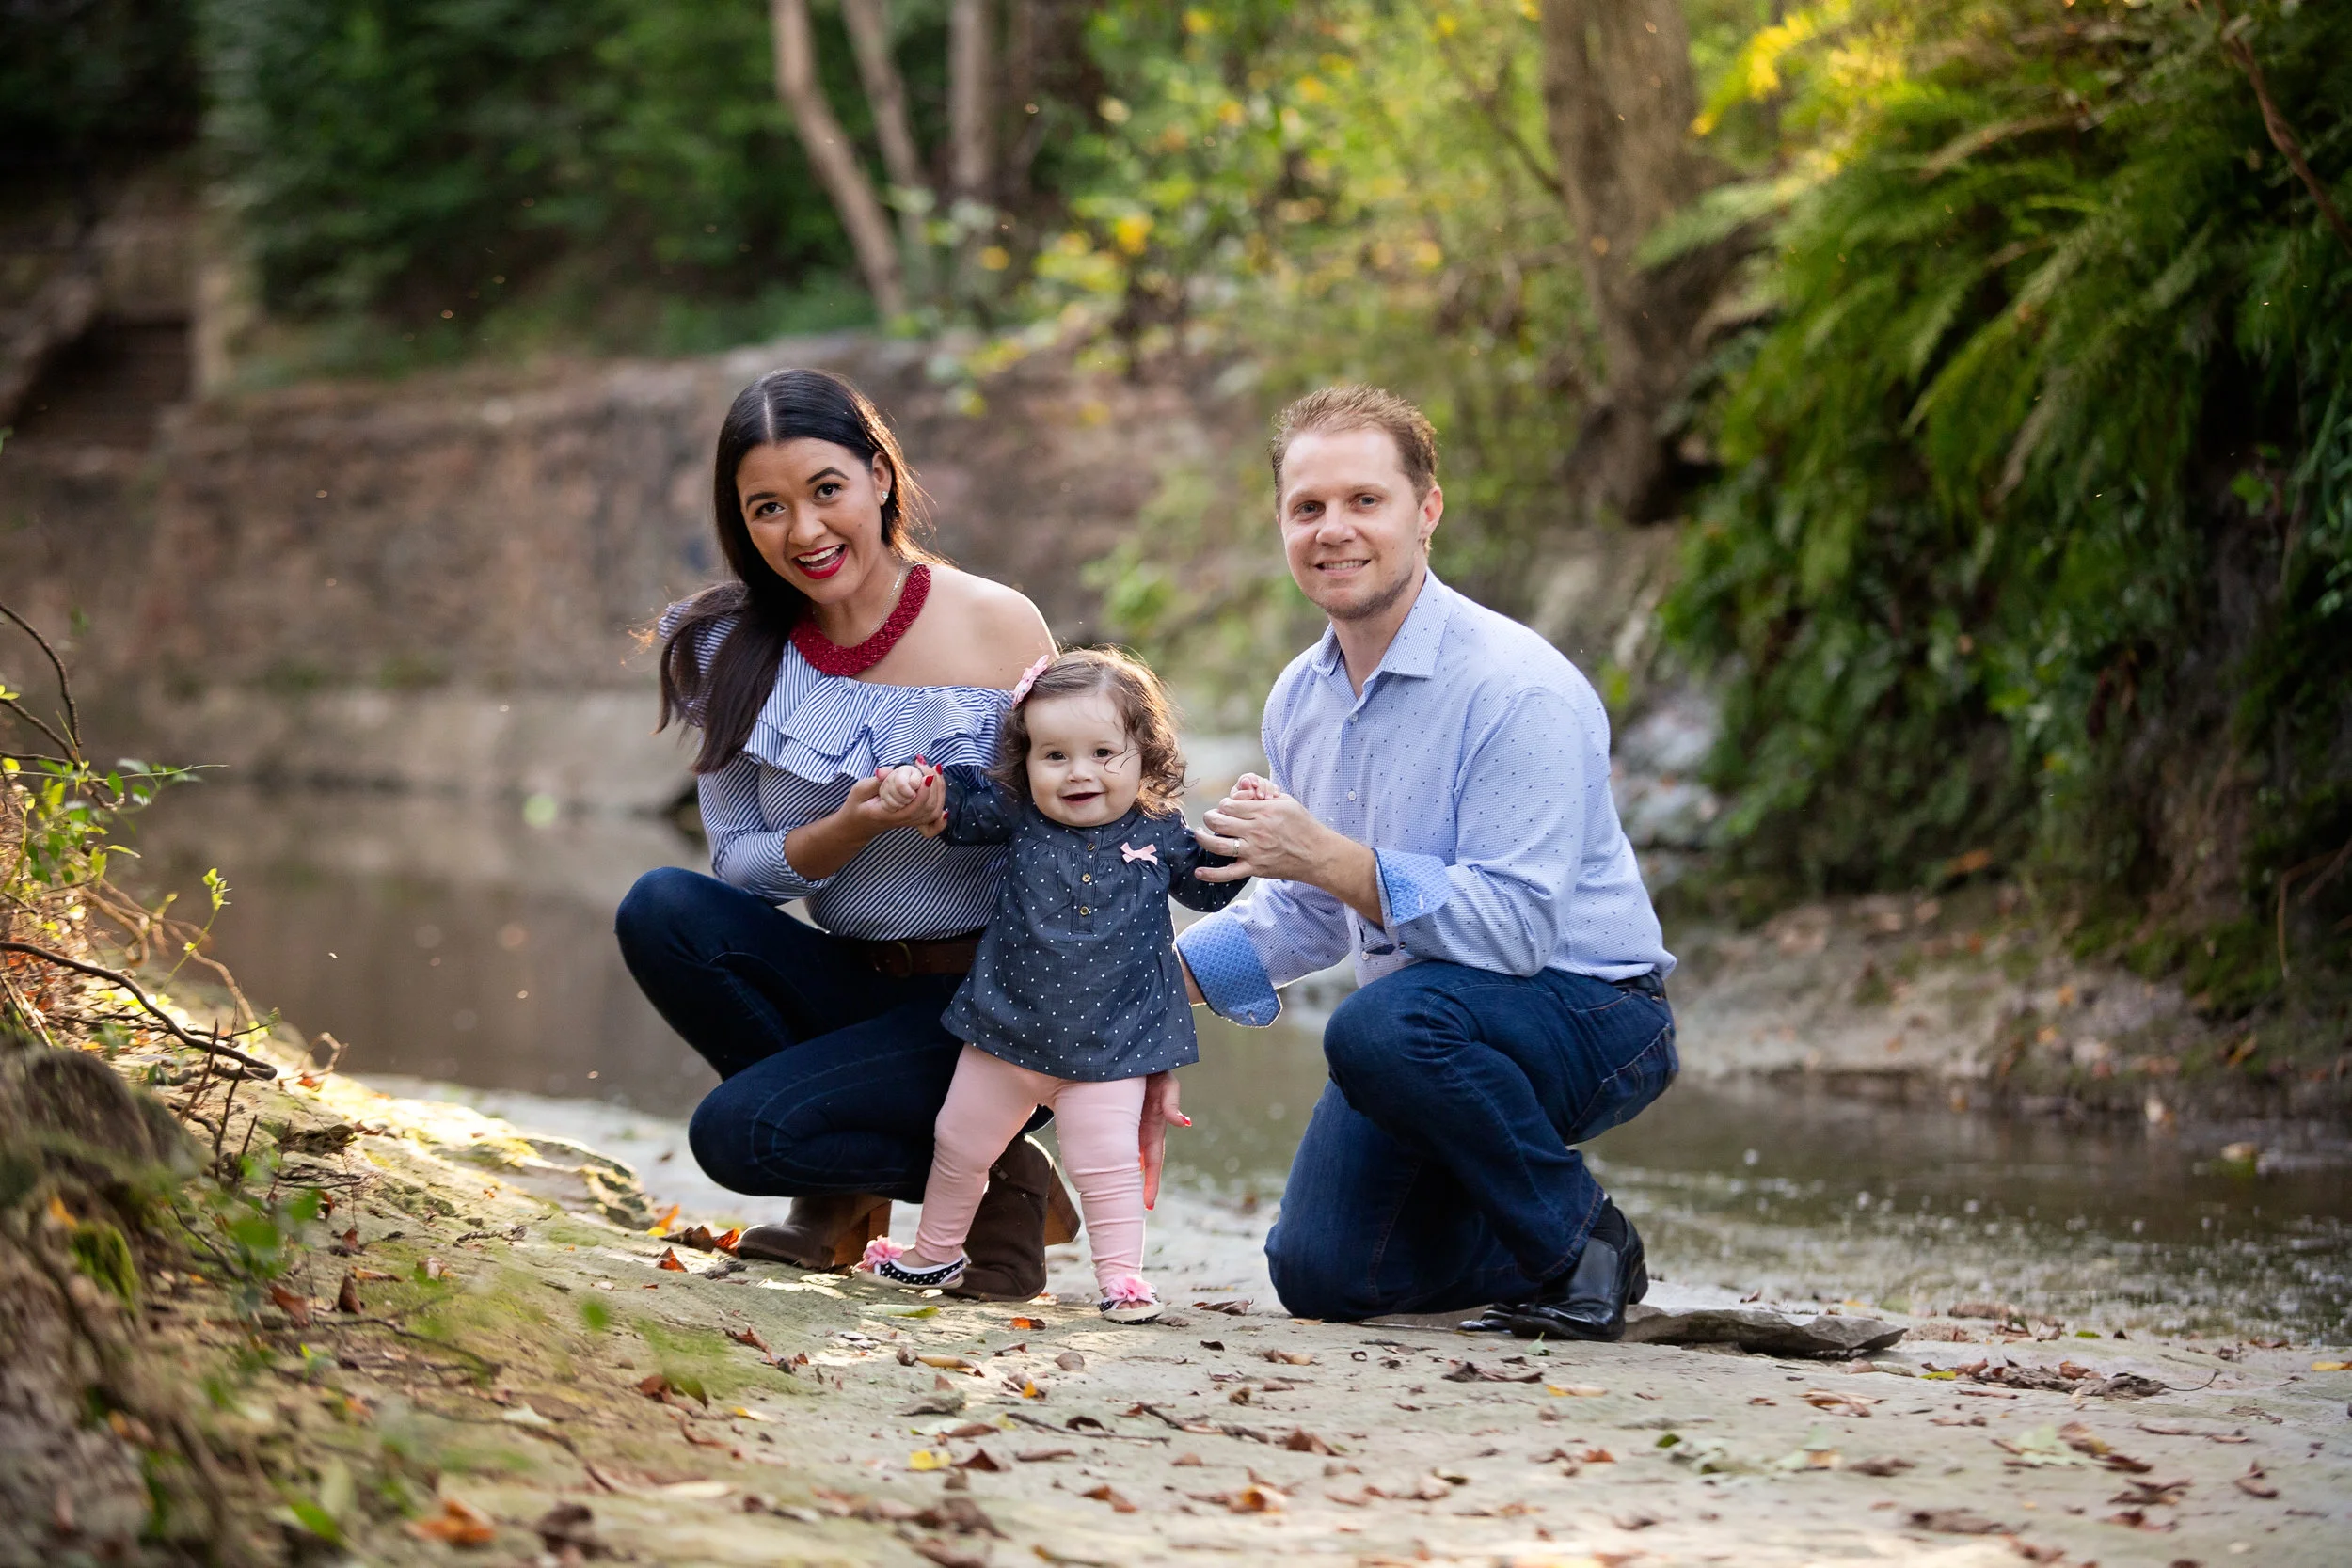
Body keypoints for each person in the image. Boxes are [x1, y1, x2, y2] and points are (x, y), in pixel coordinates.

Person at [1168, 385, 1679, 1338]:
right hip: (1423, 1026)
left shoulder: (1516, 687)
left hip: (1595, 1010)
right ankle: (1542, 1237)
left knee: (1375, 1026)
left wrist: (1331, 854)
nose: (1334, 530)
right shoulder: (1300, 697)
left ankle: (1585, 1242)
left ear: (1426, 510)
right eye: (1307, 507)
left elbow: (1516, 931)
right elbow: (1308, 911)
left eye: (1366, 500)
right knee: (1322, 1271)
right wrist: (1151, 993)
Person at [614, 367, 1086, 1301]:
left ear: (879, 477)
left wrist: (965, 814)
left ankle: (984, 1169)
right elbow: (740, 868)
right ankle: (941, 1185)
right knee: (662, 906)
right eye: (768, 507)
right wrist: (847, 826)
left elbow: (1081, 823)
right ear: (739, 521)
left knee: (735, 1135)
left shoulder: (998, 622)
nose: (804, 530)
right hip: (850, 975)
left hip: (988, 1001)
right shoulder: (725, 647)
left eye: (826, 490)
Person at [854, 649, 1246, 1322]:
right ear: (1026, 761)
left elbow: (1212, 889)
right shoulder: (1018, 814)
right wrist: (918, 789)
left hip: (1110, 1050)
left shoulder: (1162, 834)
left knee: (1106, 1165)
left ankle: (1122, 1278)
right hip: (1004, 1032)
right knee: (957, 1140)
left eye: (1102, 752)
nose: (1079, 772)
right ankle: (937, 1249)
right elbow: (960, 804)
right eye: (1054, 755)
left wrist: (1246, 831)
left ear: (1145, 757)